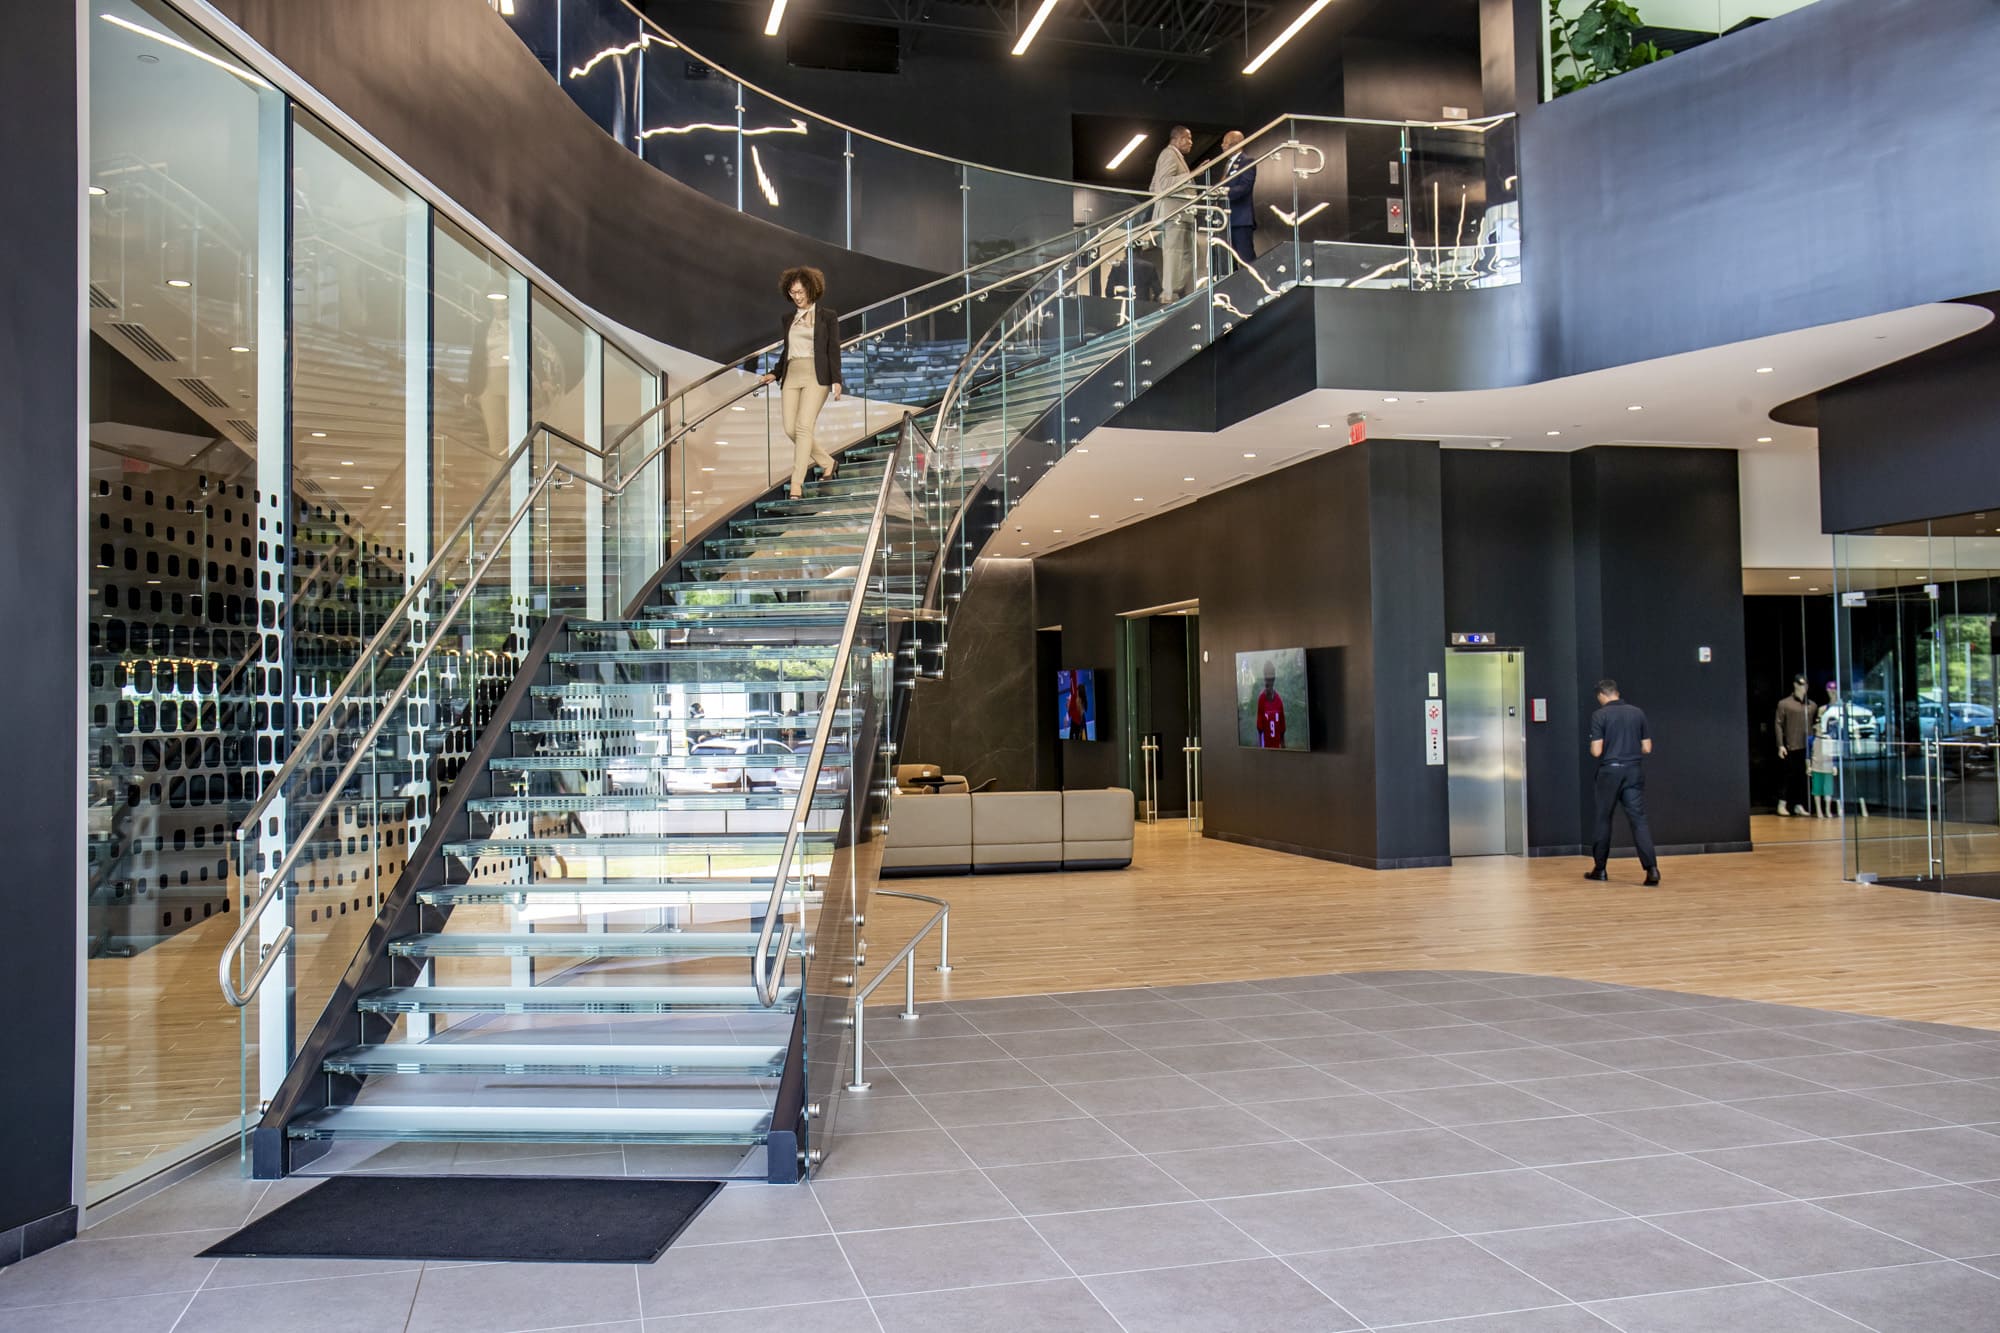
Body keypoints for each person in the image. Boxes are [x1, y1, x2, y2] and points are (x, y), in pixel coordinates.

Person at [759, 265, 841, 501]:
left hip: (817, 375)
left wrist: (837, 379)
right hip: (792, 374)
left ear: (811, 290)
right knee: (789, 428)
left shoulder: (827, 316)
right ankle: (827, 462)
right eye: (792, 292)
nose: (796, 296)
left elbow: (832, 349)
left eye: (800, 292)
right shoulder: (788, 319)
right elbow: (788, 351)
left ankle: (797, 484)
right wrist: (775, 373)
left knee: (804, 426)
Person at [1586, 678, 1660, 885]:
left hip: (1610, 772)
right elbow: (1647, 748)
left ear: (1601, 695)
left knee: (1603, 819)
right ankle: (1652, 869)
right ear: (1616, 692)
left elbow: (1596, 751)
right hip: (1634, 771)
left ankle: (1600, 869)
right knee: (1638, 820)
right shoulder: (1637, 713)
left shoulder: (1599, 715)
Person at [1150, 126, 1195, 302]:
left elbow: (1153, 186)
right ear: (1177, 138)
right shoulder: (1169, 154)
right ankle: (1170, 293)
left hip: (1179, 213)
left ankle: (1175, 291)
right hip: (1174, 213)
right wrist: (1192, 175)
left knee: (1184, 254)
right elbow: (1164, 183)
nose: (1191, 142)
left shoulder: (1175, 156)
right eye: (1188, 138)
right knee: (1174, 253)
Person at [1774, 673, 1818, 816]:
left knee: (1802, 776)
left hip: (1806, 747)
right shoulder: (1784, 704)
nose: (1803, 687)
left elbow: (1815, 724)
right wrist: (1780, 744)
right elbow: (1778, 724)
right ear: (1794, 685)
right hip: (1790, 745)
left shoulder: (1812, 705)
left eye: (1805, 684)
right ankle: (1782, 803)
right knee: (1787, 776)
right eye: (1800, 684)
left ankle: (1799, 804)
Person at [1219, 130, 1257, 265]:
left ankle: (1255, 285)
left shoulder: (1247, 161)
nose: (1223, 146)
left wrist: (1223, 192)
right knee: (1230, 262)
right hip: (1226, 220)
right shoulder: (1228, 164)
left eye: (1226, 143)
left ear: (1237, 144)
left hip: (1241, 220)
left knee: (1246, 259)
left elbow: (1245, 187)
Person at [1254, 661, 1286, 749]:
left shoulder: (1279, 701)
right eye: (1266, 678)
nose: (1268, 681)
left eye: (1270, 678)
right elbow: (1260, 730)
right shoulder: (1261, 700)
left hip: (1277, 749)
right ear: (1264, 678)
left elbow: (1282, 730)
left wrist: (1283, 747)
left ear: (1274, 678)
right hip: (1266, 749)